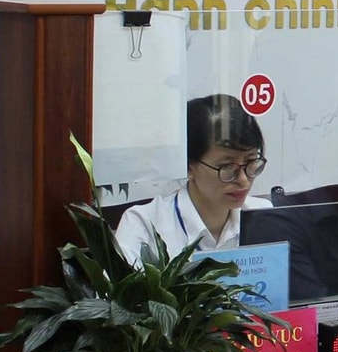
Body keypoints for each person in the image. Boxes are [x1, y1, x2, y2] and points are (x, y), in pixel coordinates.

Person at [114, 94, 273, 266]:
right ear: (189, 166)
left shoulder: (263, 216)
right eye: (227, 167)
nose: (243, 180)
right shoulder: (144, 226)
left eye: (251, 162)